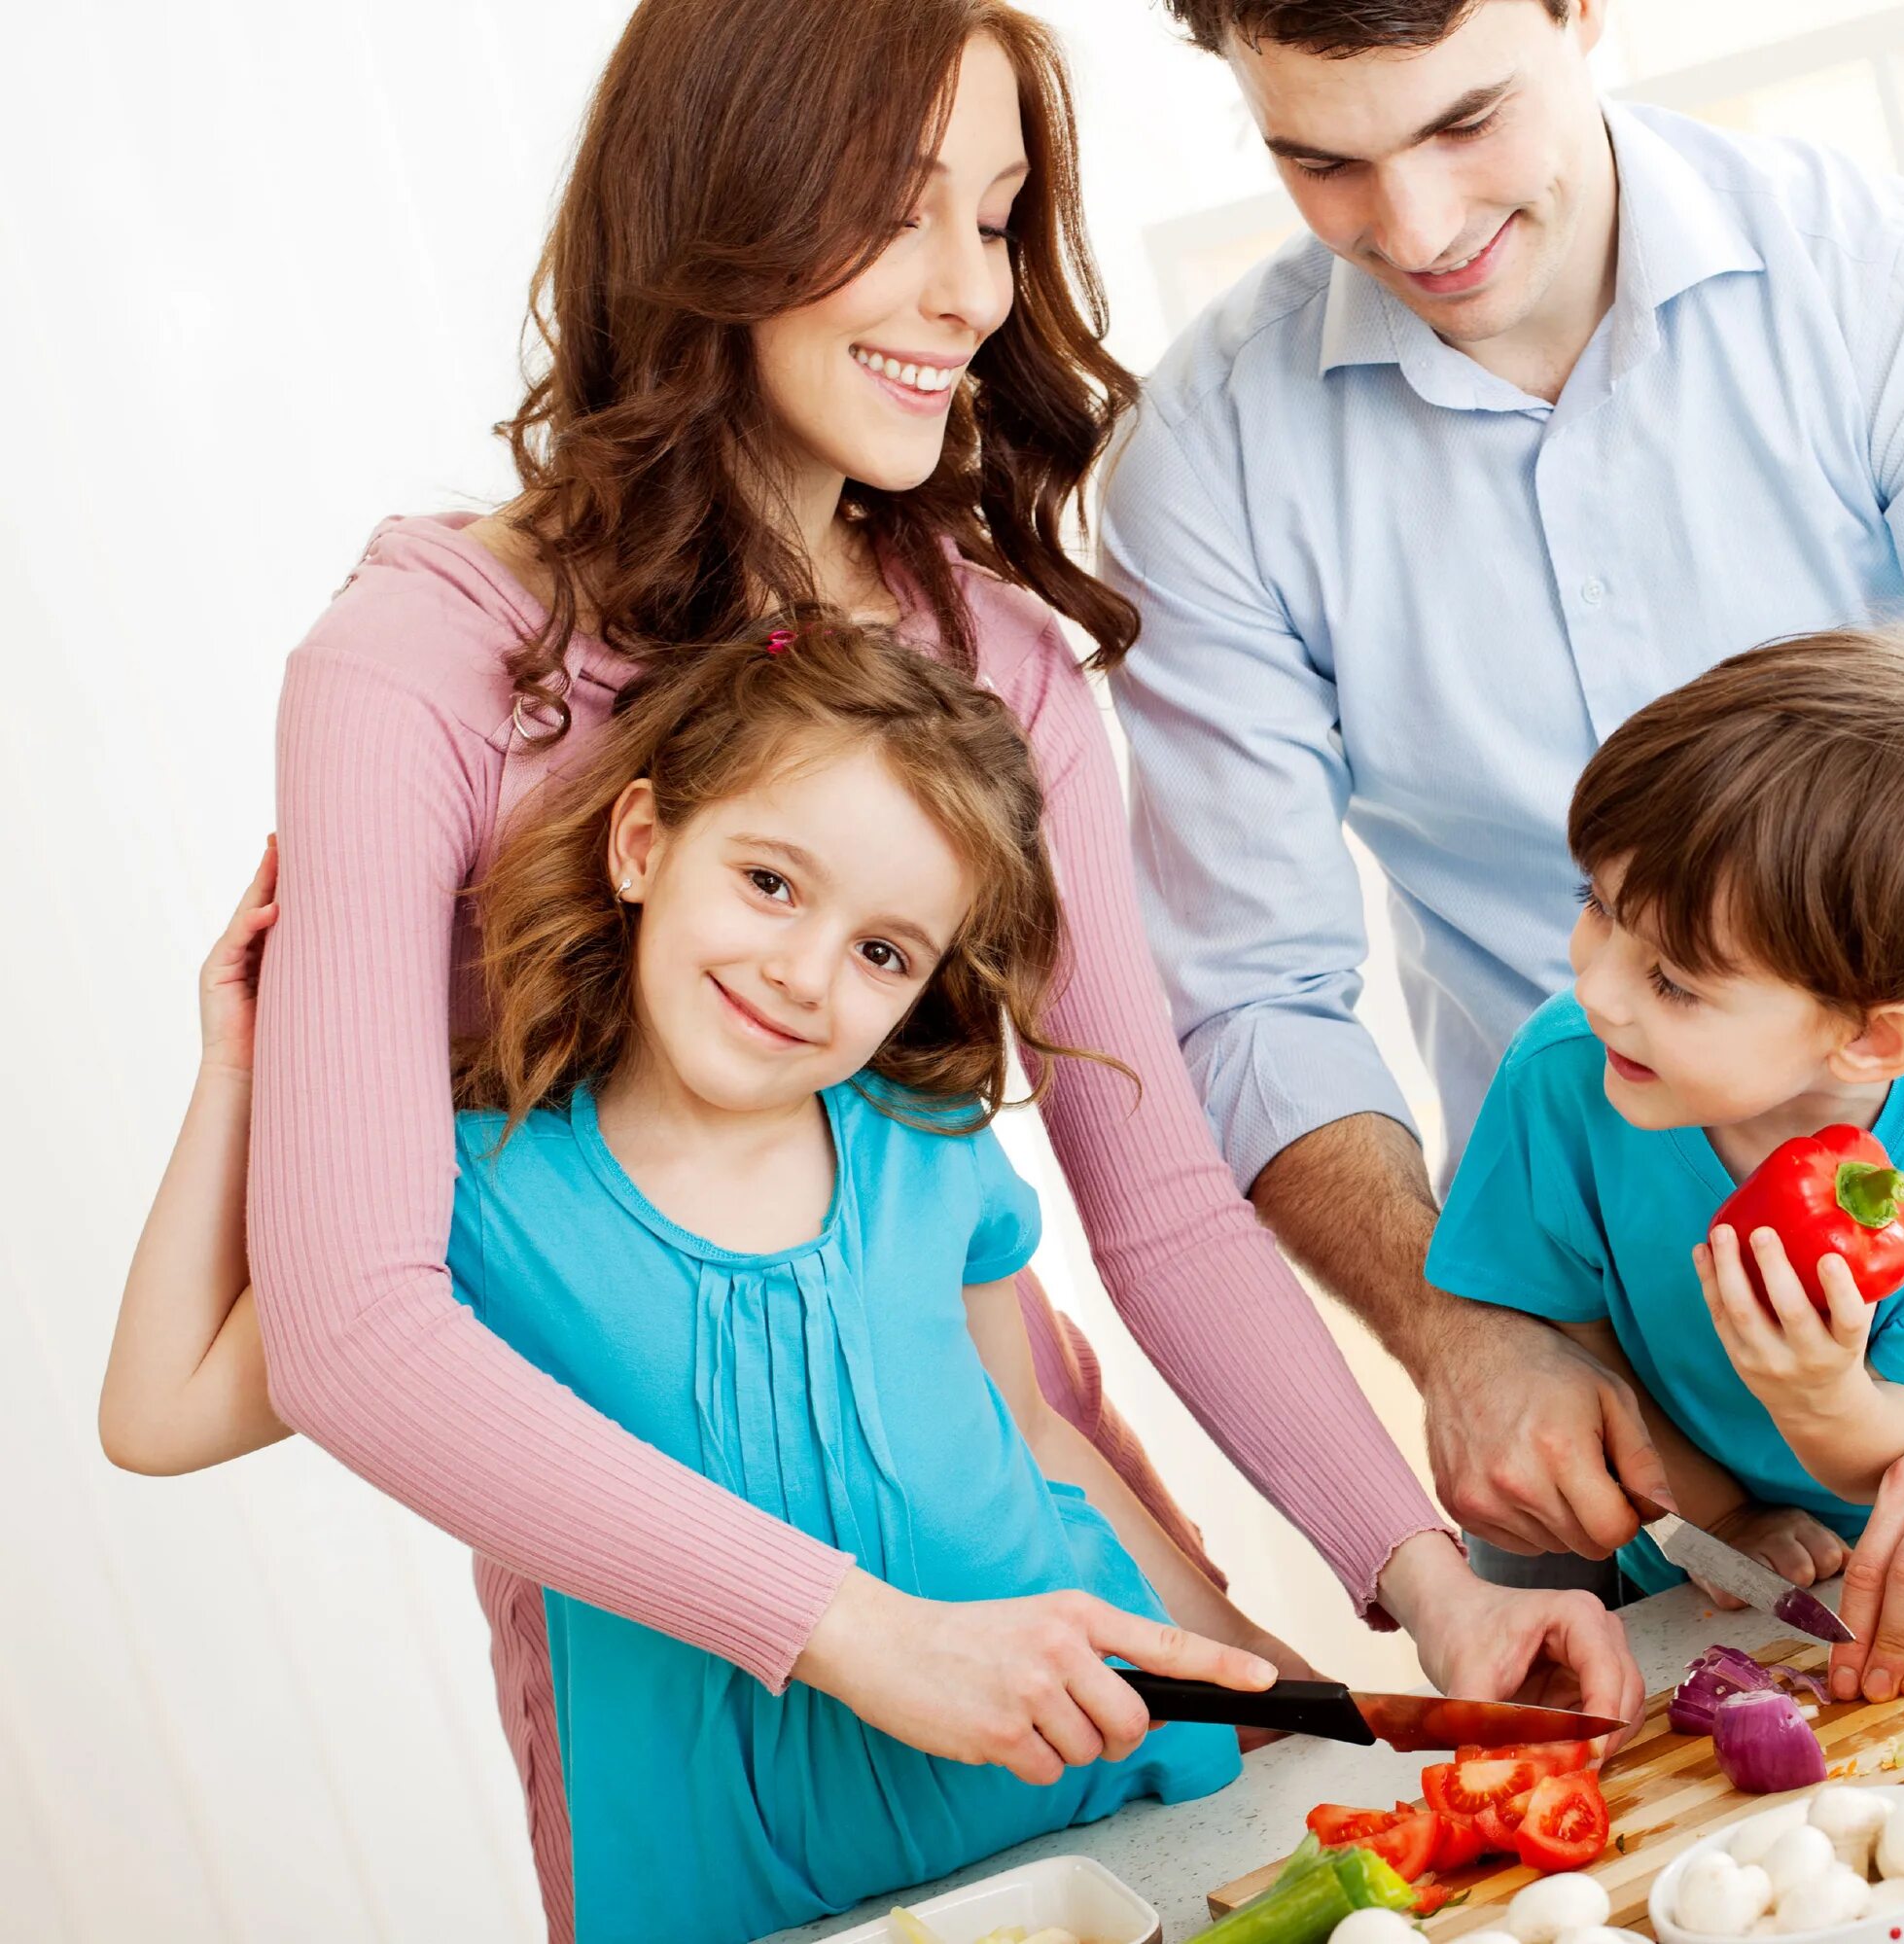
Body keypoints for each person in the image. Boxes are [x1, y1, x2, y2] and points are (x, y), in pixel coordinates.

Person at [235, 3, 1633, 1931]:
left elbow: (1156, 1207)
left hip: (1043, 1575)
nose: (971, 291)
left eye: (999, 219)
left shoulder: (999, 661)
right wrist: (852, 1634)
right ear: (717, 203)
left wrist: (1417, 1564)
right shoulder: (415, 674)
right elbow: (349, 1327)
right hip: (693, 1703)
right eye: (903, 213)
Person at [1105, 0, 1904, 1704]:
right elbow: (1254, 999)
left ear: (1581, 13)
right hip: (1568, 1294)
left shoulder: (1897, 297)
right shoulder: (1210, 453)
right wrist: (1464, 1329)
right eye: (1323, 160)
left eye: (1467, 122)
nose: (1417, 229)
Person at [111, 620, 1286, 1941]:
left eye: (883, 950)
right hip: (758, 1906)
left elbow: (1034, 1438)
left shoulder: (928, 1139)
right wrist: (242, 1065)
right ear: (640, 844)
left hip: (1117, 1809)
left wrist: (1282, 1686)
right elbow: (158, 1414)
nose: (804, 973)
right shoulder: (475, 1191)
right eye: (773, 881)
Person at [1428, 631, 1904, 1605]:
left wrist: (1821, 1396)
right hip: (1670, 1543)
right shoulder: (1562, 1073)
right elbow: (1575, 1349)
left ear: (1871, 1042)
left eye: (1675, 982)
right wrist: (1720, 1519)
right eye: (1598, 905)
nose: (1596, 989)